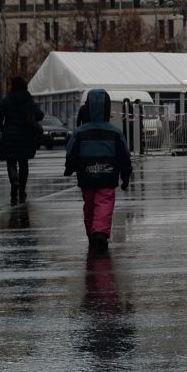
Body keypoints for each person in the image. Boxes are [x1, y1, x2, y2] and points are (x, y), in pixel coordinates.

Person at [63, 88, 131, 253]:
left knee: (89, 205)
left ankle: (92, 233)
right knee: (104, 203)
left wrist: (69, 168)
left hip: (86, 174)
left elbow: (71, 152)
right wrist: (126, 174)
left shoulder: (80, 132)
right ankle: (100, 231)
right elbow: (124, 156)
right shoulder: (115, 132)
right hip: (108, 175)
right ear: (107, 109)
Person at [0, 76, 44, 205]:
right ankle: (22, 189)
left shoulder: (7, 100)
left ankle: (14, 182)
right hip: (26, 136)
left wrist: (2, 129)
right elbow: (40, 115)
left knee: (11, 162)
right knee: (23, 163)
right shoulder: (28, 100)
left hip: (9, 135)